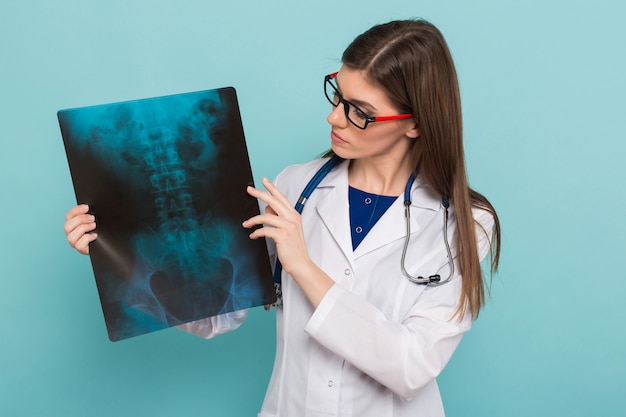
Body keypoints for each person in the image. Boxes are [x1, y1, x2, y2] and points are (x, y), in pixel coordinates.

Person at [64, 18, 500, 417]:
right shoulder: (295, 187)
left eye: (360, 113)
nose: (334, 118)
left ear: (416, 124)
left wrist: (303, 268)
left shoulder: (464, 224)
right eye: (337, 95)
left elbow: (411, 366)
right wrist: (114, 251)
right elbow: (217, 313)